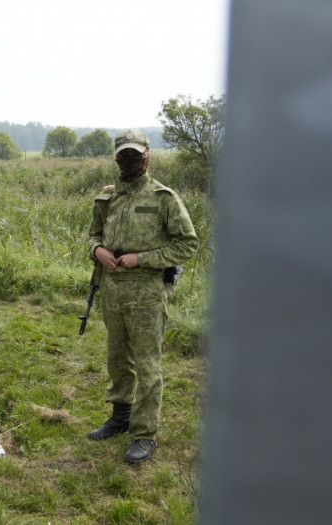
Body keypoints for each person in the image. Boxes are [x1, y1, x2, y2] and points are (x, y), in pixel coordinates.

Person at [86, 129, 198, 464]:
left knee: (148, 363)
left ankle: (145, 434)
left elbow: (187, 244)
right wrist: (97, 251)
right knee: (117, 358)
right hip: (112, 289)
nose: (130, 160)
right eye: (124, 155)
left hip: (147, 292)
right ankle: (120, 417)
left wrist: (142, 258)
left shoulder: (164, 198)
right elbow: (92, 234)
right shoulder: (107, 196)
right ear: (116, 157)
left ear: (148, 155)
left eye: (136, 154)